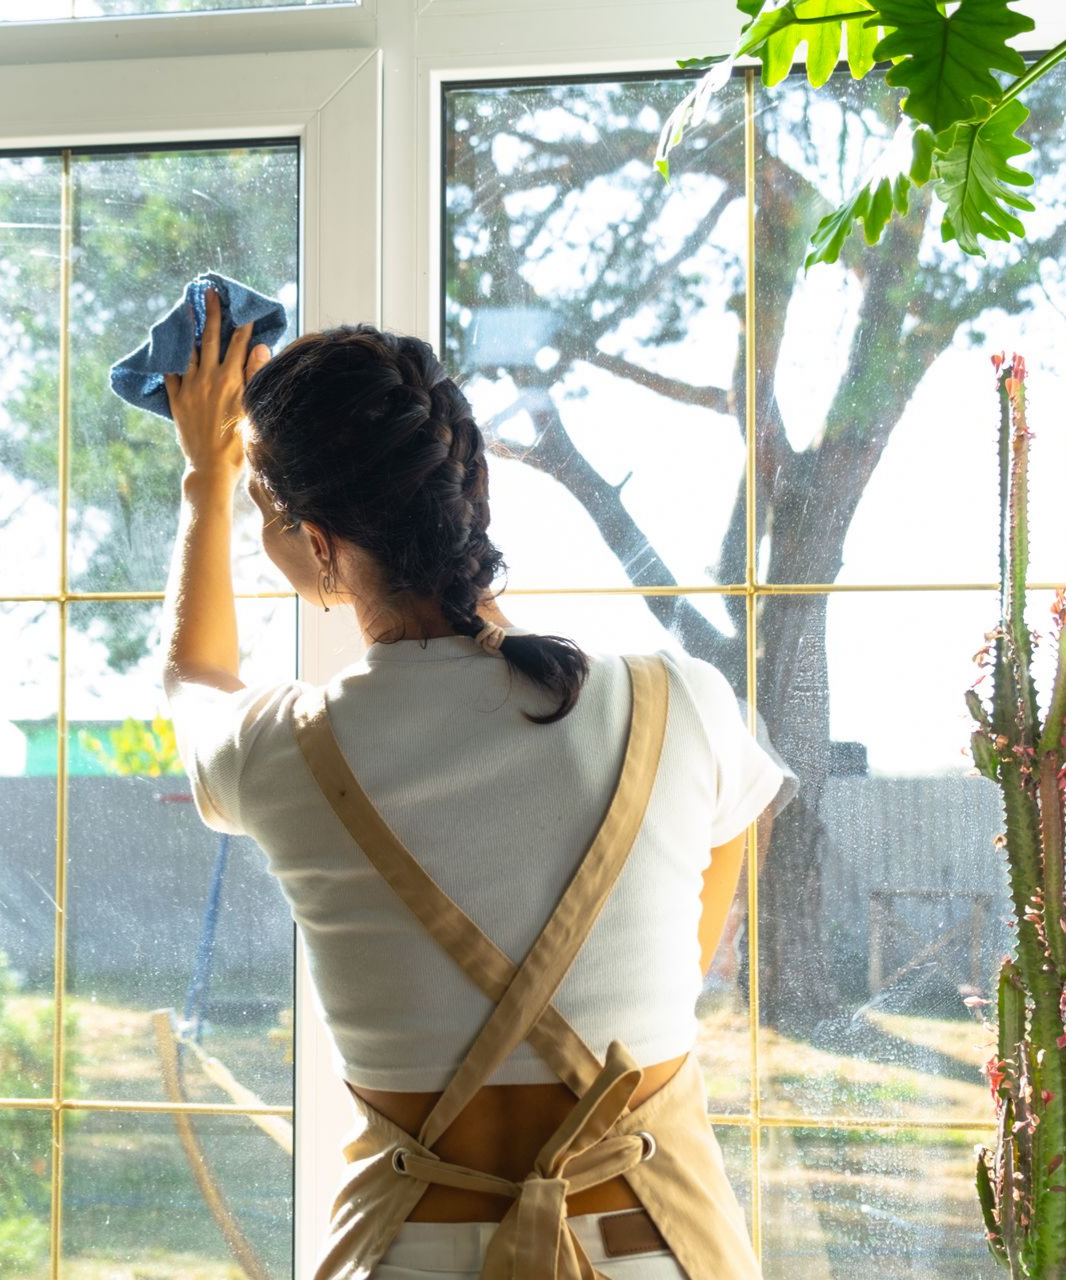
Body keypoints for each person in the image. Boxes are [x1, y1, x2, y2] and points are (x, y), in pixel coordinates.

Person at [159, 292, 789, 1280]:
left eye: (264, 519)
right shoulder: (677, 703)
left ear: (318, 543)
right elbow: (721, 859)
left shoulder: (282, 750)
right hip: (651, 1247)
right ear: (464, 493)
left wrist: (207, 478)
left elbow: (193, 682)